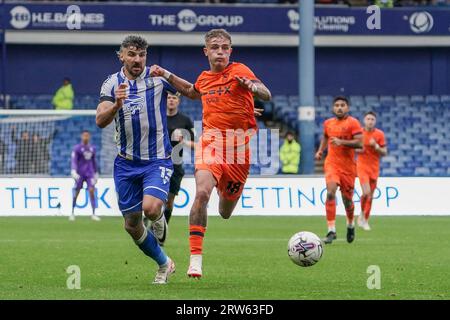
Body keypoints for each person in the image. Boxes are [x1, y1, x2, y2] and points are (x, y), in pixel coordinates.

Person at [150, 28, 271, 278]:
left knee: (225, 212)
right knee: (202, 192)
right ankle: (195, 260)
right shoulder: (205, 78)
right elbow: (192, 91)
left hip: (239, 150)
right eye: (215, 47)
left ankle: (223, 189)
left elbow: (266, 94)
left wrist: (253, 89)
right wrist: (165, 73)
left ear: (230, 51)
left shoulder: (240, 71)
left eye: (225, 47)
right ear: (206, 51)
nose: (220, 52)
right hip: (211, 144)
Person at [96, 35, 176, 284]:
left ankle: (158, 216)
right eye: (131, 54)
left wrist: (171, 76)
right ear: (121, 56)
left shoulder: (158, 77)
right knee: (131, 225)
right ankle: (164, 264)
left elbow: (193, 92)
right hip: (126, 163)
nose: (137, 59)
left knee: (150, 209)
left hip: (157, 159)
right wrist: (117, 104)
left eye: (141, 55)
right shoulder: (111, 84)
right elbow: (100, 120)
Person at [315, 96, 363, 245]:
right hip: (332, 164)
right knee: (330, 193)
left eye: (342, 105)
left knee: (347, 201)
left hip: (348, 167)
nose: (339, 108)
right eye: (336, 105)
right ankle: (331, 230)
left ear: (347, 107)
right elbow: (325, 137)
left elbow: (360, 143)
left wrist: (341, 142)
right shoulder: (328, 123)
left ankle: (350, 224)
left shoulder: (353, 123)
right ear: (333, 108)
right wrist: (320, 150)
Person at [164, 92, 195, 224]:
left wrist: (184, 142)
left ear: (178, 101)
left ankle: (162, 229)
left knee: (169, 201)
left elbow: (197, 145)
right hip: (157, 163)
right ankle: (149, 218)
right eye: (169, 98)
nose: (171, 100)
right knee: (155, 199)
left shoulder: (185, 120)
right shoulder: (158, 118)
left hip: (176, 165)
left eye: (174, 98)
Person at [356, 111, 387, 231]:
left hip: (374, 168)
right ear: (364, 120)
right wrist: (358, 149)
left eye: (372, 119)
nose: (370, 121)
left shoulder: (379, 134)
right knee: (366, 192)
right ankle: (363, 217)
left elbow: (384, 152)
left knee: (370, 195)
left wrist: (376, 146)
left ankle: (364, 218)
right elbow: (351, 147)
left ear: (375, 121)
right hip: (362, 166)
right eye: (368, 119)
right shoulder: (359, 133)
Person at [70, 130, 100, 221]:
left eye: (87, 135)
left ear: (89, 137)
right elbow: (74, 160)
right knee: (77, 191)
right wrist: (73, 170)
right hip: (80, 173)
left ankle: (93, 213)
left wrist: (96, 173)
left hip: (90, 173)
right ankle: (72, 212)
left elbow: (94, 161)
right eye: (84, 135)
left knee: (91, 191)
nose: (86, 137)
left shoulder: (92, 148)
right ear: (81, 136)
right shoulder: (77, 148)